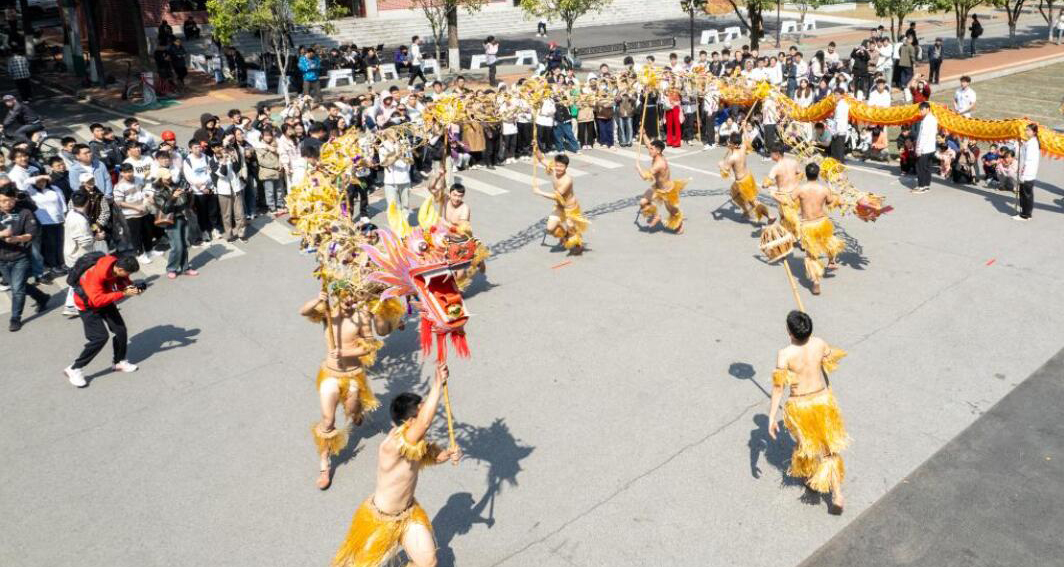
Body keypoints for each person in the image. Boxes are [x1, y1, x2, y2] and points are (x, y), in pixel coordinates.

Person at [330, 362, 461, 567]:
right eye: (421, 412)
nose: (426, 418)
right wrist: (437, 384)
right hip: (380, 520)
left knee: (428, 562)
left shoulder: (415, 444)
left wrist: (449, 454)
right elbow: (425, 422)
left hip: (409, 515)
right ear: (409, 421)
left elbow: (432, 456)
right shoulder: (393, 445)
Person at [299, 288, 403, 490]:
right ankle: (324, 465)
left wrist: (345, 352)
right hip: (330, 374)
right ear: (338, 296)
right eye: (344, 298)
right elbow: (303, 311)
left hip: (354, 375)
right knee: (328, 420)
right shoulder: (327, 310)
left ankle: (356, 413)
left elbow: (369, 347)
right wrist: (316, 299)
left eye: (352, 299)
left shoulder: (361, 317)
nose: (348, 302)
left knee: (353, 411)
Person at [768, 310, 849, 514]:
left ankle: (810, 475)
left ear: (789, 332)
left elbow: (779, 388)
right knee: (829, 448)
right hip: (822, 400)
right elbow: (830, 361)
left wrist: (771, 417)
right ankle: (837, 494)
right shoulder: (819, 343)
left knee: (805, 444)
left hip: (801, 407)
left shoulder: (785, 354)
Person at [63, 253, 142, 387]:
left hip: (104, 299)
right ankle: (74, 368)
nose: (128, 275)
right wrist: (123, 293)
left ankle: (119, 362)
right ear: (120, 269)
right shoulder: (97, 274)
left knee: (120, 330)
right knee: (99, 337)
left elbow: (123, 281)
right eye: (127, 273)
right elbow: (97, 301)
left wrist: (132, 287)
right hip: (87, 305)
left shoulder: (117, 265)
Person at [0, 185, 50, 332]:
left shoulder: (25, 212)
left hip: (20, 256)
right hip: (2, 258)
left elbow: (31, 234)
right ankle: (41, 297)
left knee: (17, 289)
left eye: (9, 200)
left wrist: (16, 238)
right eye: (2, 201)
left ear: (14, 199)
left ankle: (15, 318)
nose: (6, 204)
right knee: (18, 285)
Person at [793, 163, 843, 295]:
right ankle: (832, 260)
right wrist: (839, 199)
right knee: (829, 242)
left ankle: (816, 283)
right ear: (818, 174)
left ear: (806, 174)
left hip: (808, 225)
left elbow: (790, 200)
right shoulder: (824, 189)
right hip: (822, 222)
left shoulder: (800, 189)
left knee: (811, 255)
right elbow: (830, 201)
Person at [532, 149, 588, 253]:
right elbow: (541, 158)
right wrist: (536, 148)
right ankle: (565, 235)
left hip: (570, 208)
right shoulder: (553, 168)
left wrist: (539, 192)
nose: (558, 168)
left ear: (566, 167)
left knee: (571, 228)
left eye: (561, 166)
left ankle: (577, 242)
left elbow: (556, 196)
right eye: (557, 165)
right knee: (550, 228)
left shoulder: (568, 180)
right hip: (559, 206)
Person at [62, 190, 102, 317]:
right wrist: (98, 237)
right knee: (83, 281)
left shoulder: (71, 213)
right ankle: (93, 303)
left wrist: (93, 230)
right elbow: (85, 242)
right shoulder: (79, 220)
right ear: (88, 202)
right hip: (79, 256)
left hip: (71, 254)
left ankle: (71, 305)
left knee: (76, 281)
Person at [151, 171, 198, 279]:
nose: (169, 179)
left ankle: (185, 267)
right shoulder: (158, 192)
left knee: (185, 244)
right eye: (166, 178)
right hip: (172, 221)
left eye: (169, 177)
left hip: (184, 217)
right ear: (160, 179)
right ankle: (171, 268)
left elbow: (186, 202)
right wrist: (173, 197)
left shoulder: (176, 186)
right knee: (177, 246)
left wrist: (188, 193)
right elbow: (166, 208)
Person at [720, 132, 772, 224]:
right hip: (748, 177)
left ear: (733, 144)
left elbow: (726, 171)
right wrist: (744, 127)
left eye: (729, 142)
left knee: (753, 201)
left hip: (742, 182)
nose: (728, 143)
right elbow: (747, 139)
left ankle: (769, 216)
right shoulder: (743, 147)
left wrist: (720, 165)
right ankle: (746, 210)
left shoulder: (732, 158)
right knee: (734, 194)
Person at [636, 137, 686, 234]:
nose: (649, 151)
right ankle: (656, 216)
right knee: (643, 202)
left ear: (658, 150)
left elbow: (645, 177)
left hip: (667, 191)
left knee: (672, 212)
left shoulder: (659, 163)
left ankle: (679, 225)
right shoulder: (657, 155)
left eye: (651, 149)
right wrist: (644, 134)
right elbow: (648, 144)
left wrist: (638, 168)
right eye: (649, 149)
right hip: (657, 187)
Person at [114, 163, 156, 264]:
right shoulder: (119, 186)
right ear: (122, 173)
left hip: (144, 210)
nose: (129, 174)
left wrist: (148, 197)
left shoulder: (138, 179)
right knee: (136, 235)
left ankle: (149, 250)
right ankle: (140, 254)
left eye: (130, 171)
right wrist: (135, 207)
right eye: (126, 172)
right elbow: (119, 202)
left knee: (147, 232)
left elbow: (143, 190)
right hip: (131, 214)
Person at [763, 145, 802, 238]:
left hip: (784, 196)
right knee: (790, 216)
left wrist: (767, 185)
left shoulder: (776, 168)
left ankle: (800, 238)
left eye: (771, 154)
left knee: (790, 218)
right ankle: (787, 233)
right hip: (796, 193)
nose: (770, 155)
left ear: (777, 154)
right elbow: (799, 173)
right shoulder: (793, 162)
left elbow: (766, 183)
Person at [1015, 124, 1040, 221]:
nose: (1026, 132)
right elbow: (1024, 149)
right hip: (1028, 172)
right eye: (1026, 130)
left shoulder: (1032, 144)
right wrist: (1022, 144)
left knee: (1025, 194)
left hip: (1027, 173)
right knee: (1026, 193)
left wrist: (1022, 173)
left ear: (1034, 132)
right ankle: (1026, 213)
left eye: (1028, 130)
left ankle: (1025, 215)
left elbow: (1028, 160)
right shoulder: (1031, 142)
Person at [913, 102, 937, 194]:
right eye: (920, 109)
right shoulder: (933, 119)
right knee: (927, 168)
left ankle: (921, 186)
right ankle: (926, 185)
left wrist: (919, 148)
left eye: (922, 109)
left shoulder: (927, 120)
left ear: (928, 109)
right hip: (931, 148)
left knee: (920, 168)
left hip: (924, 149)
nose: (921, 111)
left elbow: (923, 136)